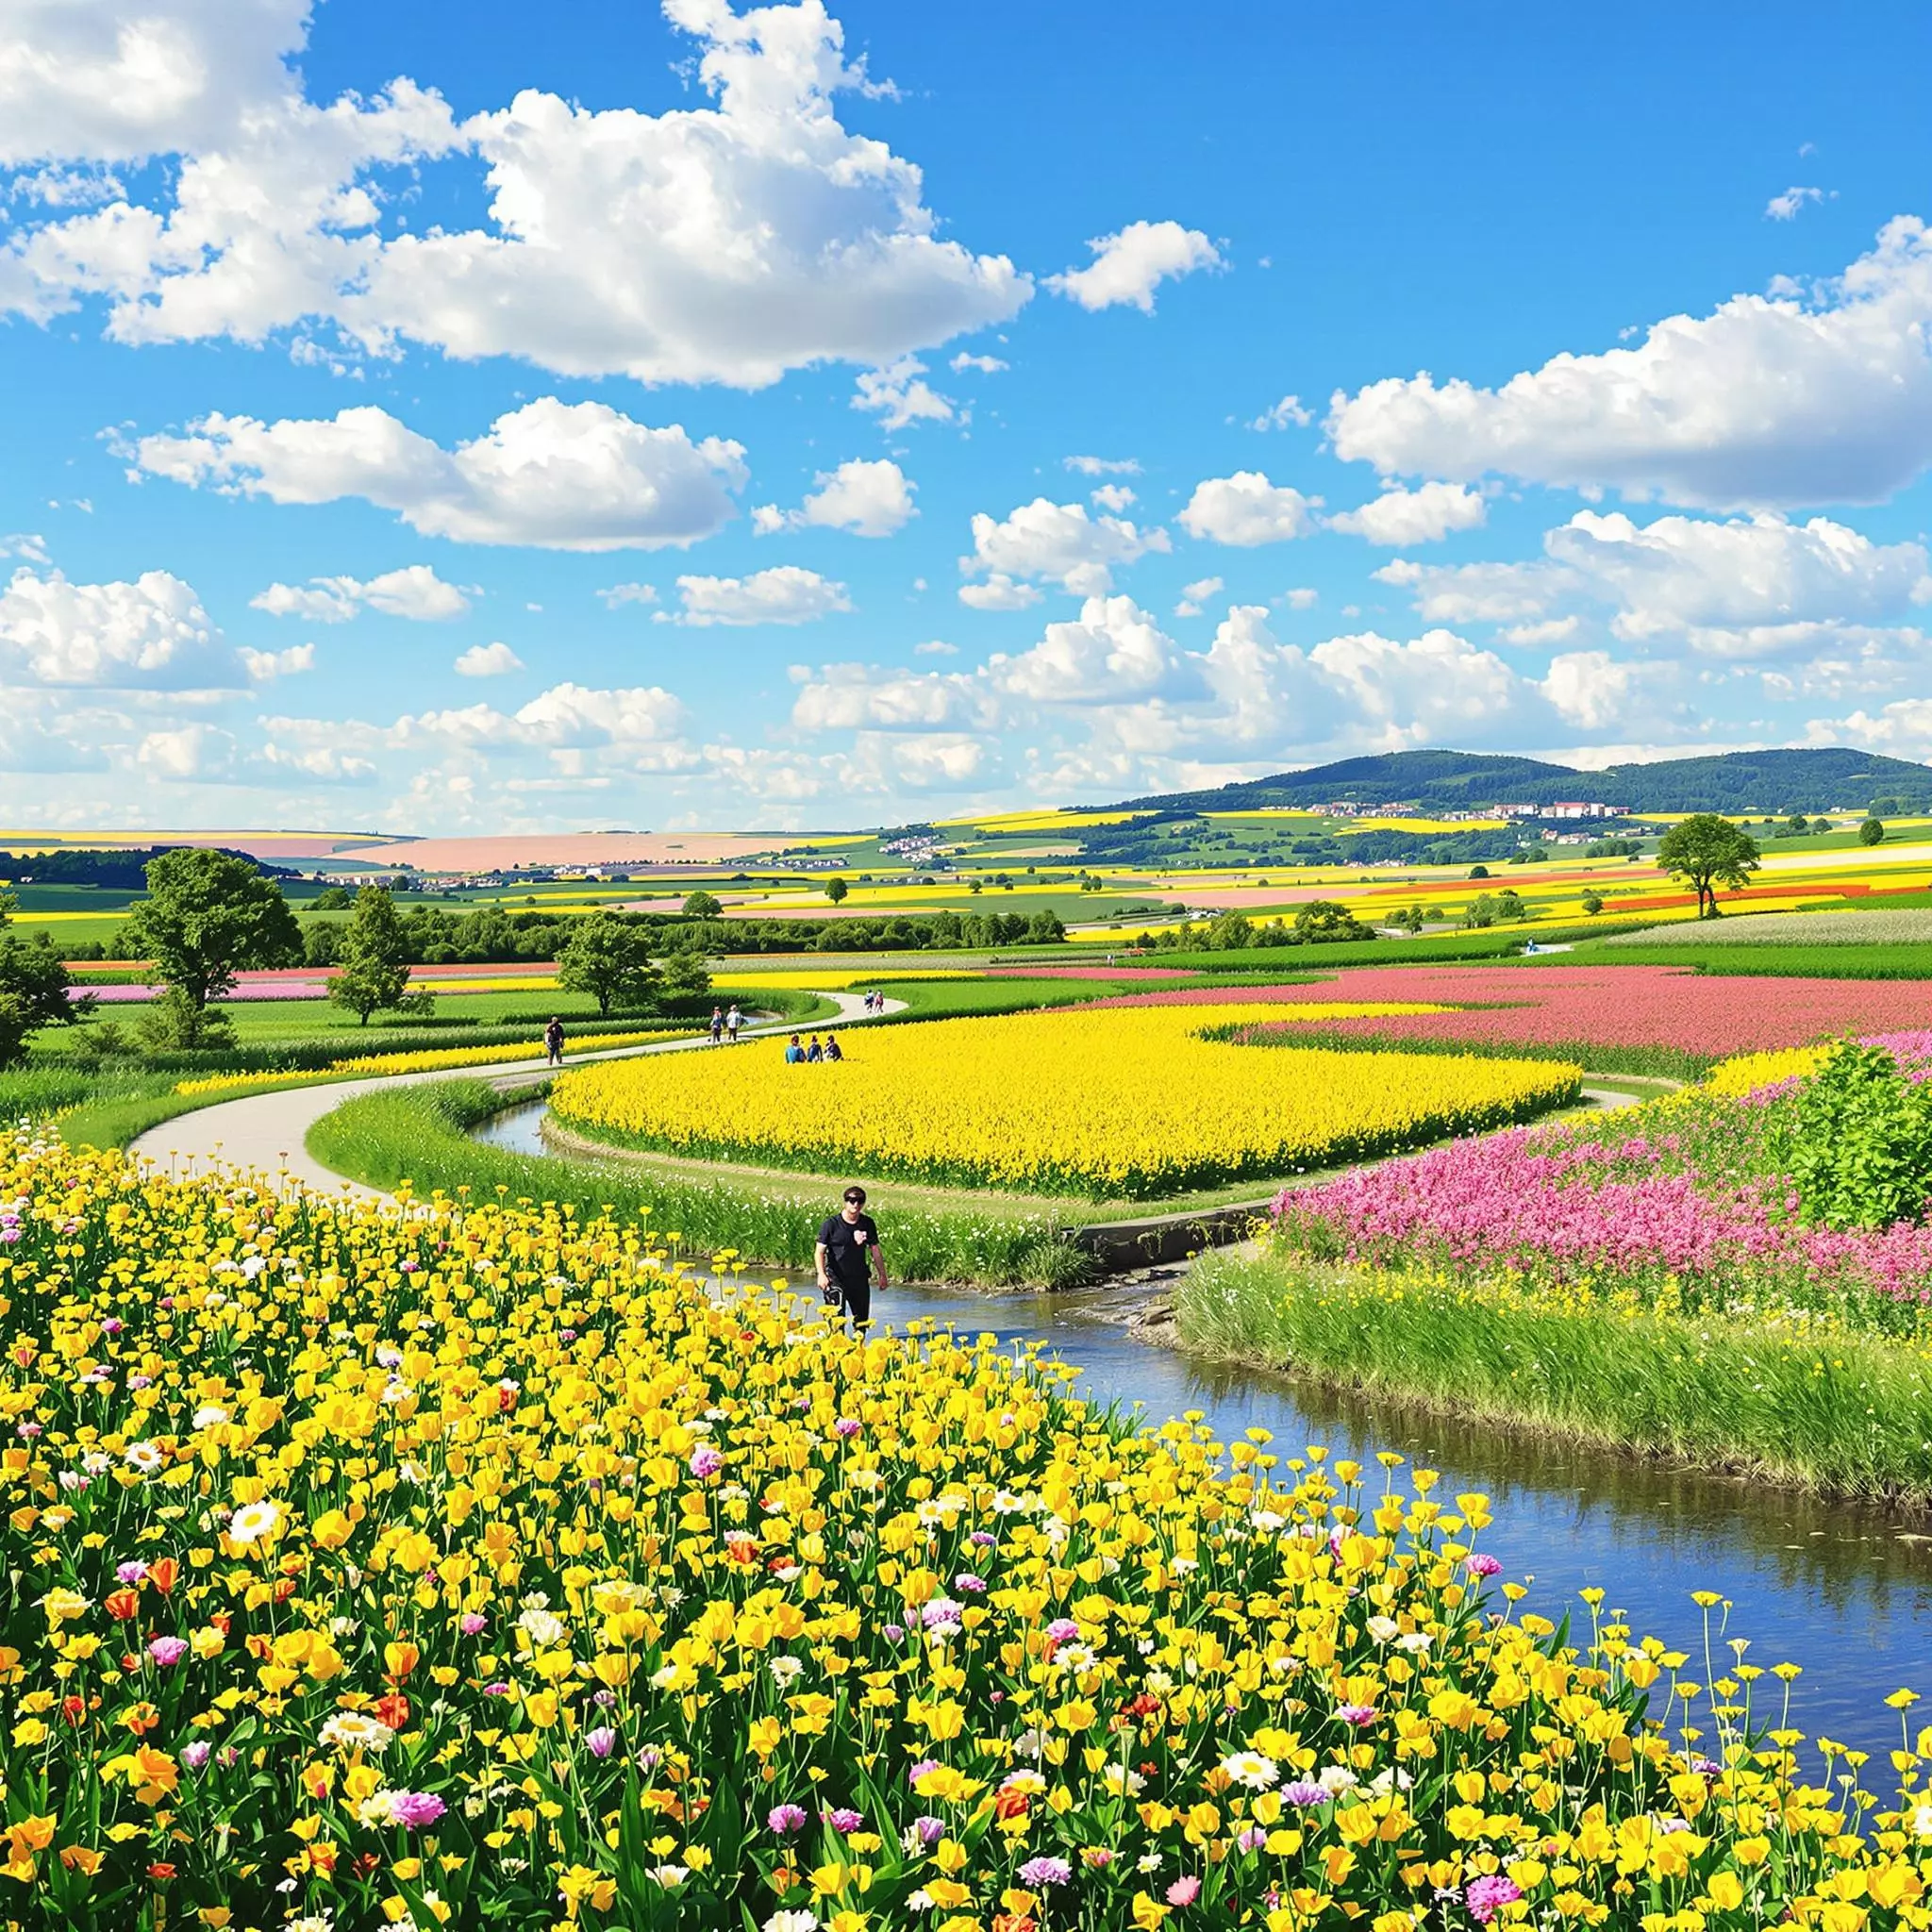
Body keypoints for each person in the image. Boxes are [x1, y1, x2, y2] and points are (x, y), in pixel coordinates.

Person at [816, 1184, 885, 1327]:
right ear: (845, 1201)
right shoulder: (831, 1225)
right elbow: (819, 1252)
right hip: (835, 1277)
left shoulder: (867, 1223)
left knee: (861, 1323)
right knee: (836, 1321)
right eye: (852, 1200)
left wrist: (882, 1275)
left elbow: (875, 1250)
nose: (856, 1204)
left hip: (859, 1278)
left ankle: (859, 1341)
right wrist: (821, 1275)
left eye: (860, 1201)